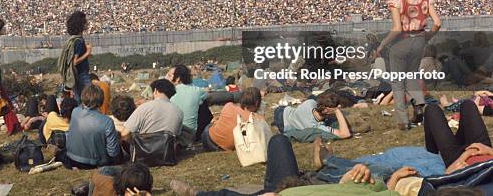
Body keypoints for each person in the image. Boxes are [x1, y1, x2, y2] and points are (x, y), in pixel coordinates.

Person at [170, 134, 420, 196]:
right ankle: (322, 162)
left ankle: (199, 194)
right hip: (322, 181)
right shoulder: (382, 183)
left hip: (290, 187)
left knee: (278, 141)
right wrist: (391, 183)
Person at [377, 0, 441, 129]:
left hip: (402, 41)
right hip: (420, 38)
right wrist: (427, 36)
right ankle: (419, 105)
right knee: (411, 74)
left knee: (397, 81)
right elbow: (437, 23)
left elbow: (397, 28)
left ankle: (403, 121)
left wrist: (383, 44)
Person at [64, 85, 121, 169]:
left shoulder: (75, 111)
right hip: (94, 162)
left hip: (72, 158)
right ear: (101, 100)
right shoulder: (107, 121)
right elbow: (113, 152)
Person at [423, 101, 492, 170]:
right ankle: (432, 156)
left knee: (431, 109)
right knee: (468, 104)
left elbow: (448, 173)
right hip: (484, 150)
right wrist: (489, 151)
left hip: (457, 161)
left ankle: (432, 157)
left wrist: (466, 154)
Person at [202, 87, 263, 152]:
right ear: (257, 103)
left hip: (207, 140)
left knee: (213, 123)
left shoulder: (229, 105)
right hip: (225, 148)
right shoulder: (257, 119)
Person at [274, 91, 351, 142]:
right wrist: (337, 112)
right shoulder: (316, 126)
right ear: (326, 110)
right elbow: (345, 134)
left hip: (283, 110)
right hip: (283, 123)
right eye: (337, 107)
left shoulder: (311, 102)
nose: (339, 108)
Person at [170, 65, 211, 140]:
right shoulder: (197, 90)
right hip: (191, 135)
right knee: (201, 104)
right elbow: (207, 97)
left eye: (171, 76)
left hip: (172, 135)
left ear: (178, 78)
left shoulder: (170, 92)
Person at [63, 11, 93, 105]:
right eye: (85, 22)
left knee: (79, 101)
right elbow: (75, 62)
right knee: (90, 100)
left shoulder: (74, 39)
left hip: (77, 75)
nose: (86, 23)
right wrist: (88, 53)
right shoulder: (79, 41)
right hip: (82, 75)